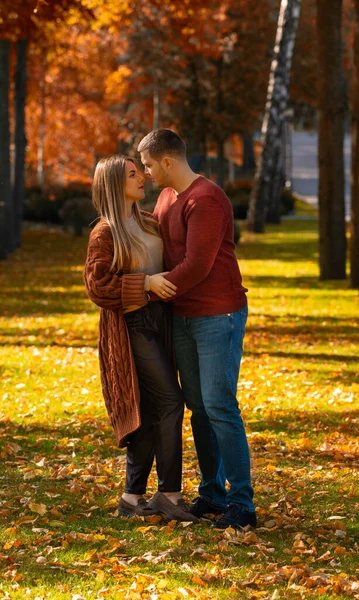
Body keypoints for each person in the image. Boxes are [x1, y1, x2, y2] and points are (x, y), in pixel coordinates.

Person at [138, 130, 256, 529]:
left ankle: (243, 504)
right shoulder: (167, 198)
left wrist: (150, 293)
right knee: (200, 410)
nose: (147, 172)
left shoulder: (206, 199)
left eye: (150, 165)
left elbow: (196, 266)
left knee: (220, 405)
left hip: (217, 315)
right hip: (183, 316)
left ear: (167, 161)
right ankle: (212, 494)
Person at [84, 155, 197, 522]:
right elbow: (97, 286)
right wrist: (144, 283)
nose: (142, 177)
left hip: (161, 322)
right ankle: (169, 493)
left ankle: (132, 500)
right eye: (132, 174)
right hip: (132, 327)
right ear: (115, 184)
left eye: (140, 171)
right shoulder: (105, 232)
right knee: (170, 402)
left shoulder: (149, 222)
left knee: (150, 412)